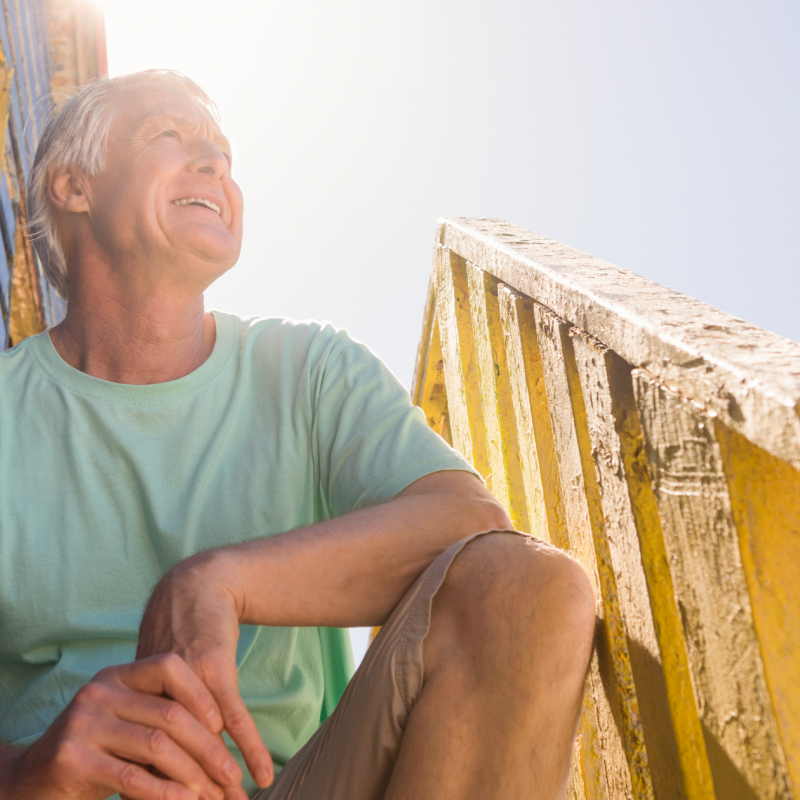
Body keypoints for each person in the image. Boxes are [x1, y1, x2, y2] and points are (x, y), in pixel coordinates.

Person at [0, 70, 595, 800]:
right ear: (73, 186)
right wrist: (27, 771)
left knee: (526, 590)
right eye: (168, 134)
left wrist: (219, 581)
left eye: (223, 154)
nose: (215, 164)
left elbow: (469, 523)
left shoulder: (308, 369)